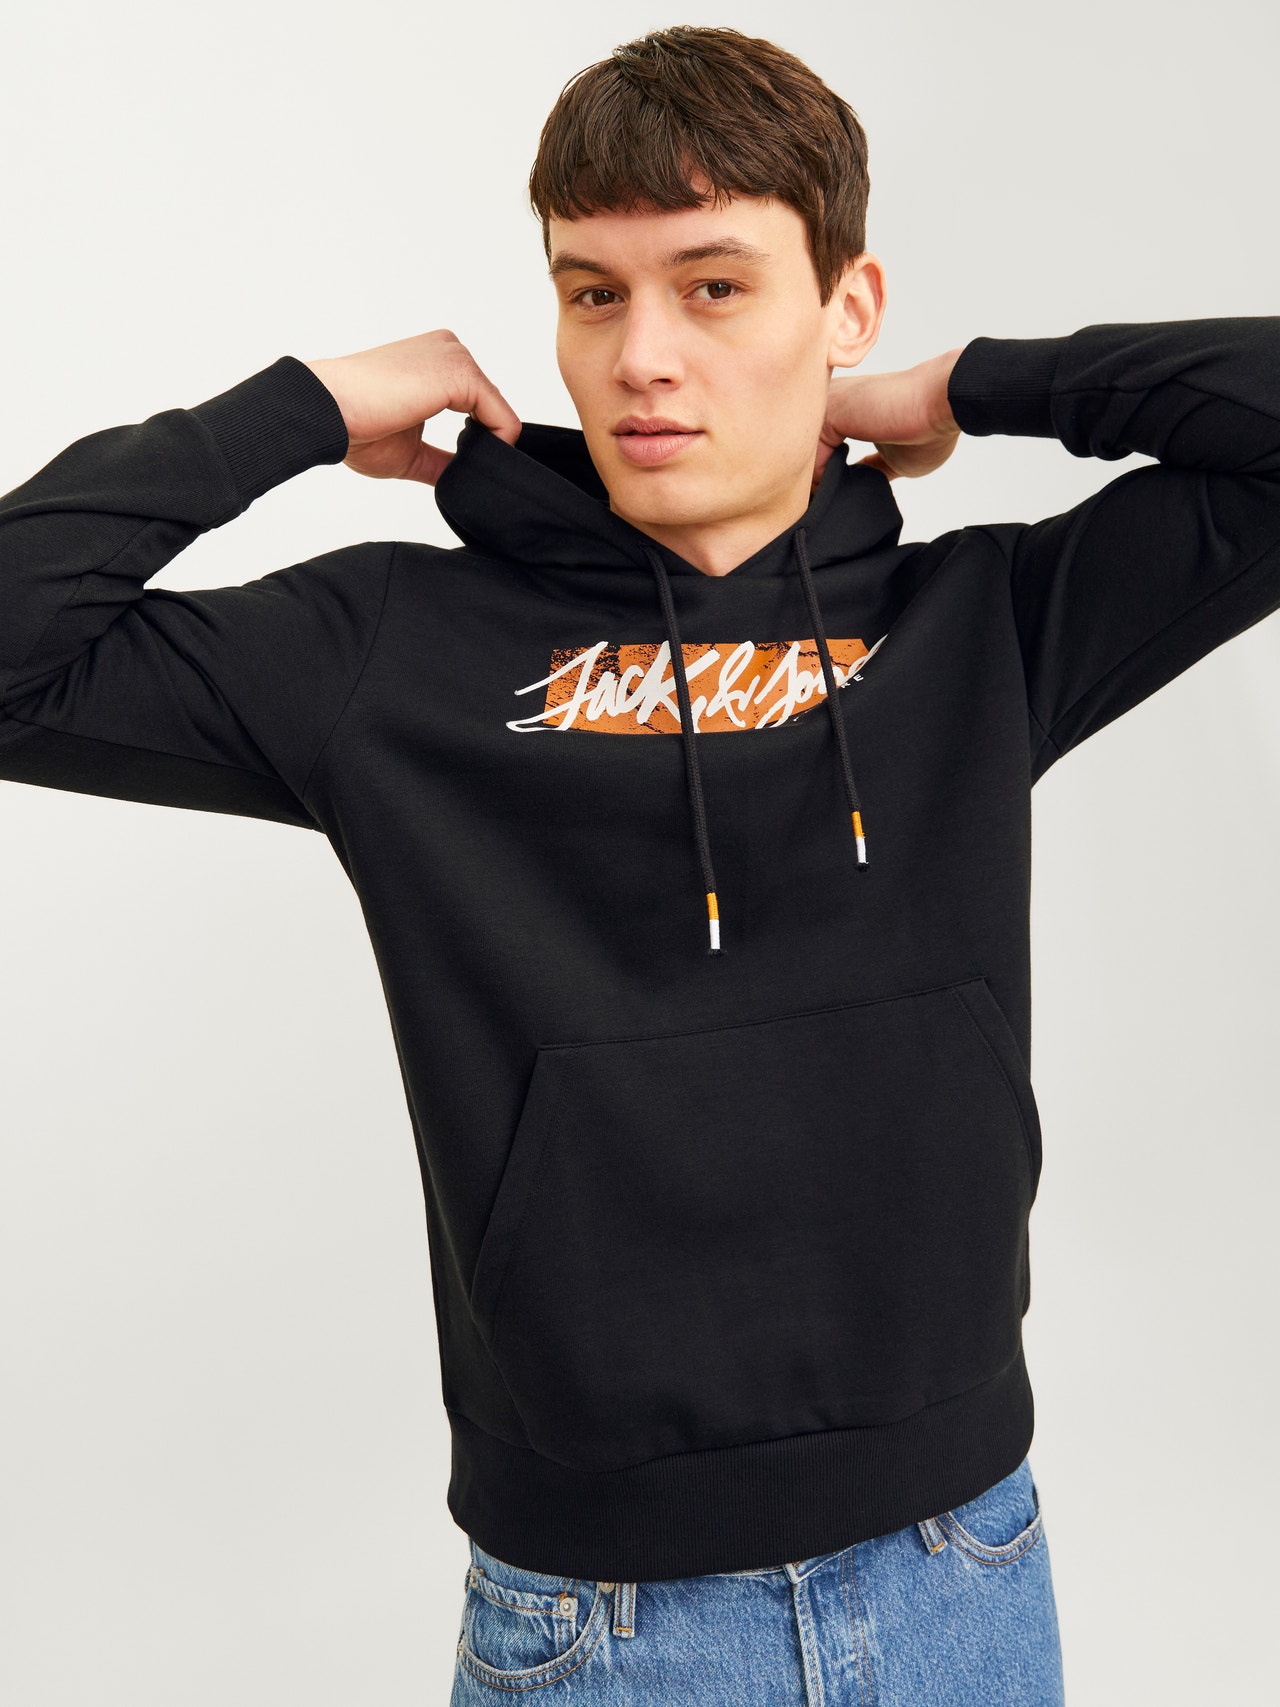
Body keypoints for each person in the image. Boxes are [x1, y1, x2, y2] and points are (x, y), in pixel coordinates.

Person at [2, 21, 1275, 1704]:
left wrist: (970, 385)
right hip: (600, 1622)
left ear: (846, 305)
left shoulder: (985, 627)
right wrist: (296, 409)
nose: (641, 357)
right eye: (592, 293)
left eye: (715, 286)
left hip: (963, 1567)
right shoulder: (392, 651)